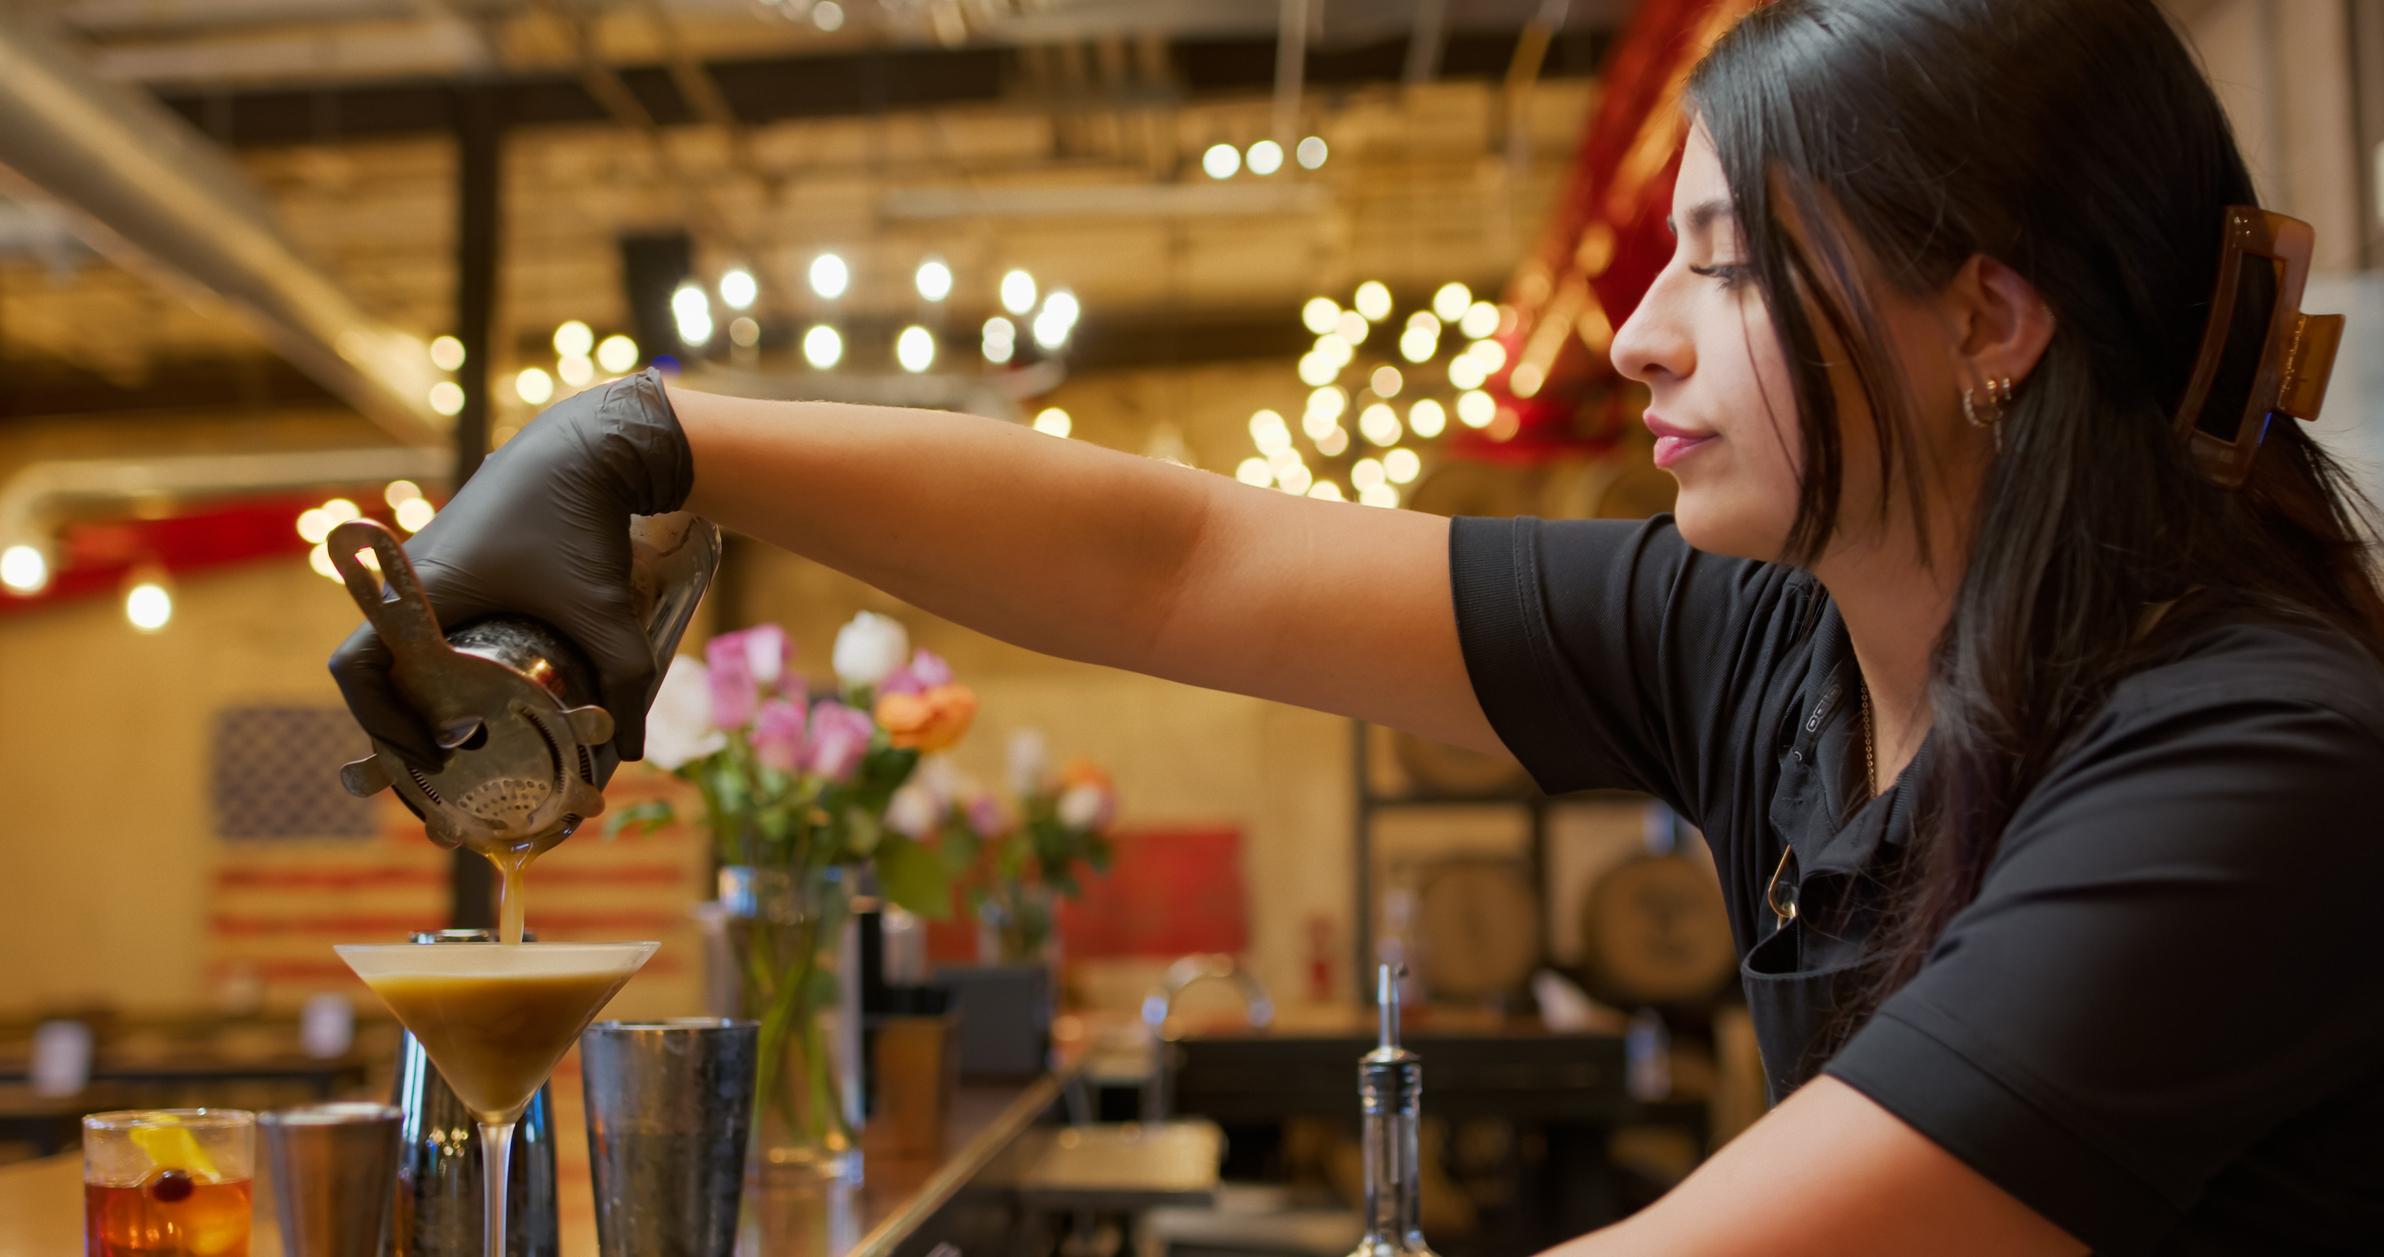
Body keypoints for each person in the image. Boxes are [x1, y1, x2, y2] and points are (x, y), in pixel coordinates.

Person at [331, 0, 2384, 1251]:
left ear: (1990, 321)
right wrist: (654, 437)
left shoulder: (2250, 761)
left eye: (1731, 268)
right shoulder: (1786, 642)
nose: (1644, 341)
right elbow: (1182, 561)